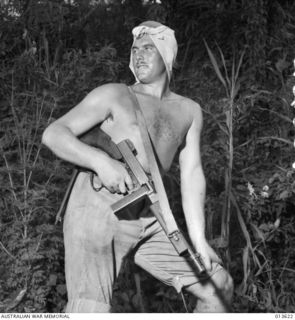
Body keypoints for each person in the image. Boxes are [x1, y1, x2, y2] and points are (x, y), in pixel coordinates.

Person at [42, 20, 233, 313]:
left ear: (167, 55)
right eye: (134, 49)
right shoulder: (114, 94)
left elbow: (192, 174)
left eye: (148, 48)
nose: (138, 55)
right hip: (97, 207)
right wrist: (100, 161)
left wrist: (198, 238)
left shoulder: (189, 110)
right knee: (89, 310)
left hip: (149, 211)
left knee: (218, 288)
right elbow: (54, 133)